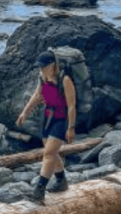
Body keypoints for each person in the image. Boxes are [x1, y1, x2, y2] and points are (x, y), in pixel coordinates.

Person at [16, 51, 76, 203]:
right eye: (40, 67)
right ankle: (61, 181)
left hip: (62, 119)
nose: (41, 69)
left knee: (48, 153)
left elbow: (72, 106)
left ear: (53, 64)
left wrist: (71, 127)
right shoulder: (42, 78)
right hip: (48, 116)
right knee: (51, 152)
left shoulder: (65, 79)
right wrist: (24, 113)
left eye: (44, 66)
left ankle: (39, 190)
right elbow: (36, 97)